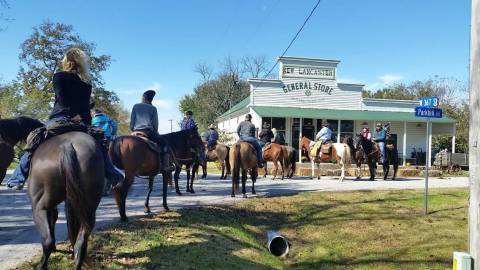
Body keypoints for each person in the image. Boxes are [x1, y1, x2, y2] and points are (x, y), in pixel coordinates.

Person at [7, 48, 123, 190]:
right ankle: (112, 173)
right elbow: (85, 105)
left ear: (66, 61)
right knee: (100, 143)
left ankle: (17, 179)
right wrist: (80, 117)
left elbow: (61, 98)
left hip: (61, 117)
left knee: (35, 139)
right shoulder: (87, 83)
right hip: (82, 121)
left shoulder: (59, 76)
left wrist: (70, 115)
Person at [130, 90, 174, 172]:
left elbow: (132, 121)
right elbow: (155, 124)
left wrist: (133, 129)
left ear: (144, 97)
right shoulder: (153, 108)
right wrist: (155, 132)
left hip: (135, 131)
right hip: (148, 132)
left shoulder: (135, 106)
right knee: (165, 144)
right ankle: (165, 166)